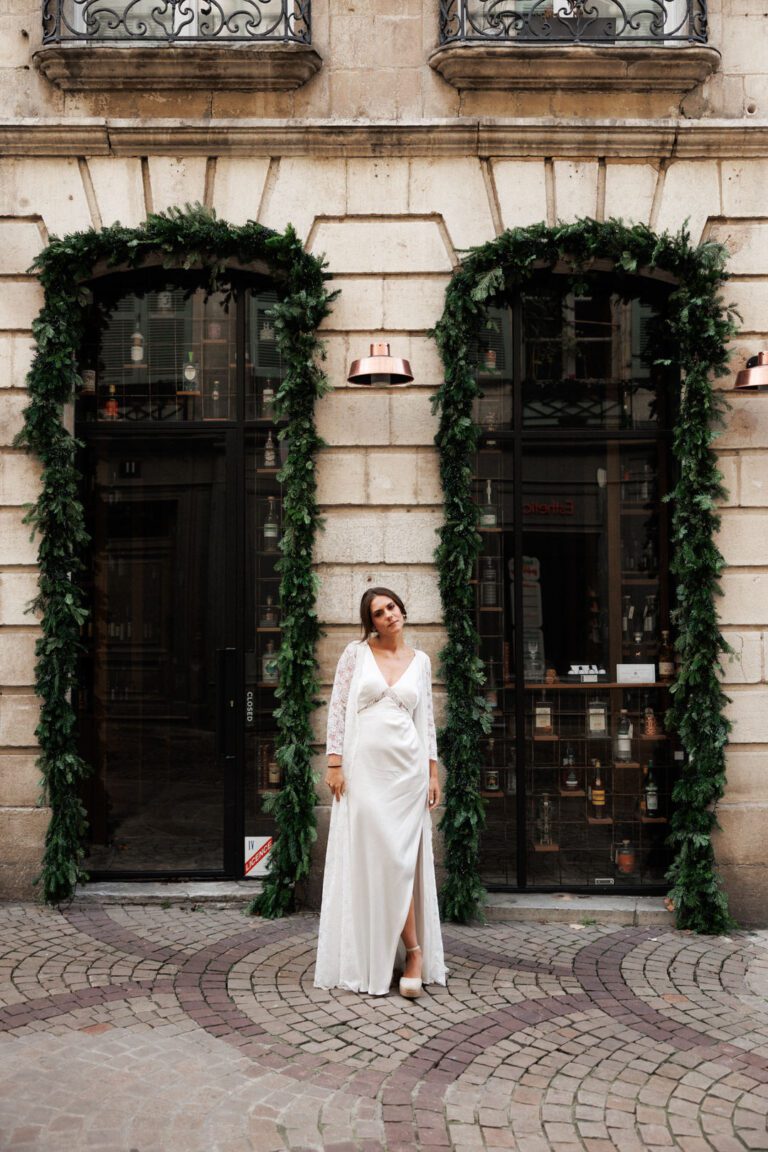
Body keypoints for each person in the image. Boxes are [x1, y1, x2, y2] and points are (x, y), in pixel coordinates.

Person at [314, 587, 447, 997]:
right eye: (378, 612)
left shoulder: (420, 662)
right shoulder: (355, 655)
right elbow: (337, 708)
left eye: (391, 607)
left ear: (401, 609)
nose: (388, 615)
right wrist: (334, 763)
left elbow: (425, 721)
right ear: (369, 621)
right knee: (379, 858)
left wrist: (432, 773)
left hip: (407, 773)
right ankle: (388, 951)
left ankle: (415, 954)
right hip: (364, 772)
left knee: (402, 860)